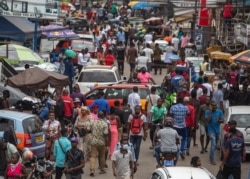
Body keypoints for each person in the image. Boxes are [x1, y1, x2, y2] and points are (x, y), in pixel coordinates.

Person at [89, 111, 109, 176]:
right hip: (101, 142)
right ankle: (102, 170)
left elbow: (88, 129)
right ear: (103, 116)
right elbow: (106, 135)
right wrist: (107, 144)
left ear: (97, 115)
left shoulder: (93, 122)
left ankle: (92, 170)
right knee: (102, 156)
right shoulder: (105, 124)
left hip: (93, 141)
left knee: (93, 156)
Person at [205, 100, 224, 165]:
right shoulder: (207, 111)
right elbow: (208, 120)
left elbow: (222, 121)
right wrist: (210, 111)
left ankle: (211, 156)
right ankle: (212, 159)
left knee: (215, 145)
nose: (214, 107)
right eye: (213, 106)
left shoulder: (219, 111)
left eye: (215, 105)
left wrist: (219, 120)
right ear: (210, 106)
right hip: (211, 130)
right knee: (213, 144)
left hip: (217, 131)